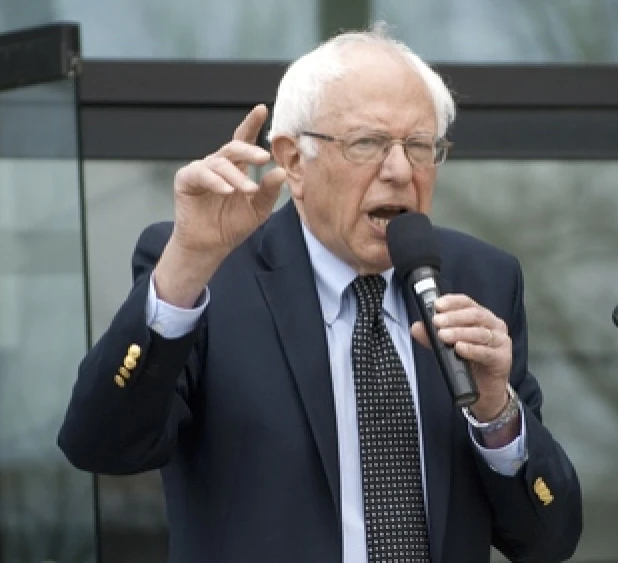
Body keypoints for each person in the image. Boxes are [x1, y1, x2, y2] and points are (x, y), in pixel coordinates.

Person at [59, 25, 582, 563]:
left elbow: (548, 539)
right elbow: (100, 444)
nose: (401, 170)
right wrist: (184, 270)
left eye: (421, 146)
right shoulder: (209, 275)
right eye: (368, 144)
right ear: (292, 161)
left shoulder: (480, 279)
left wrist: (497, 413)